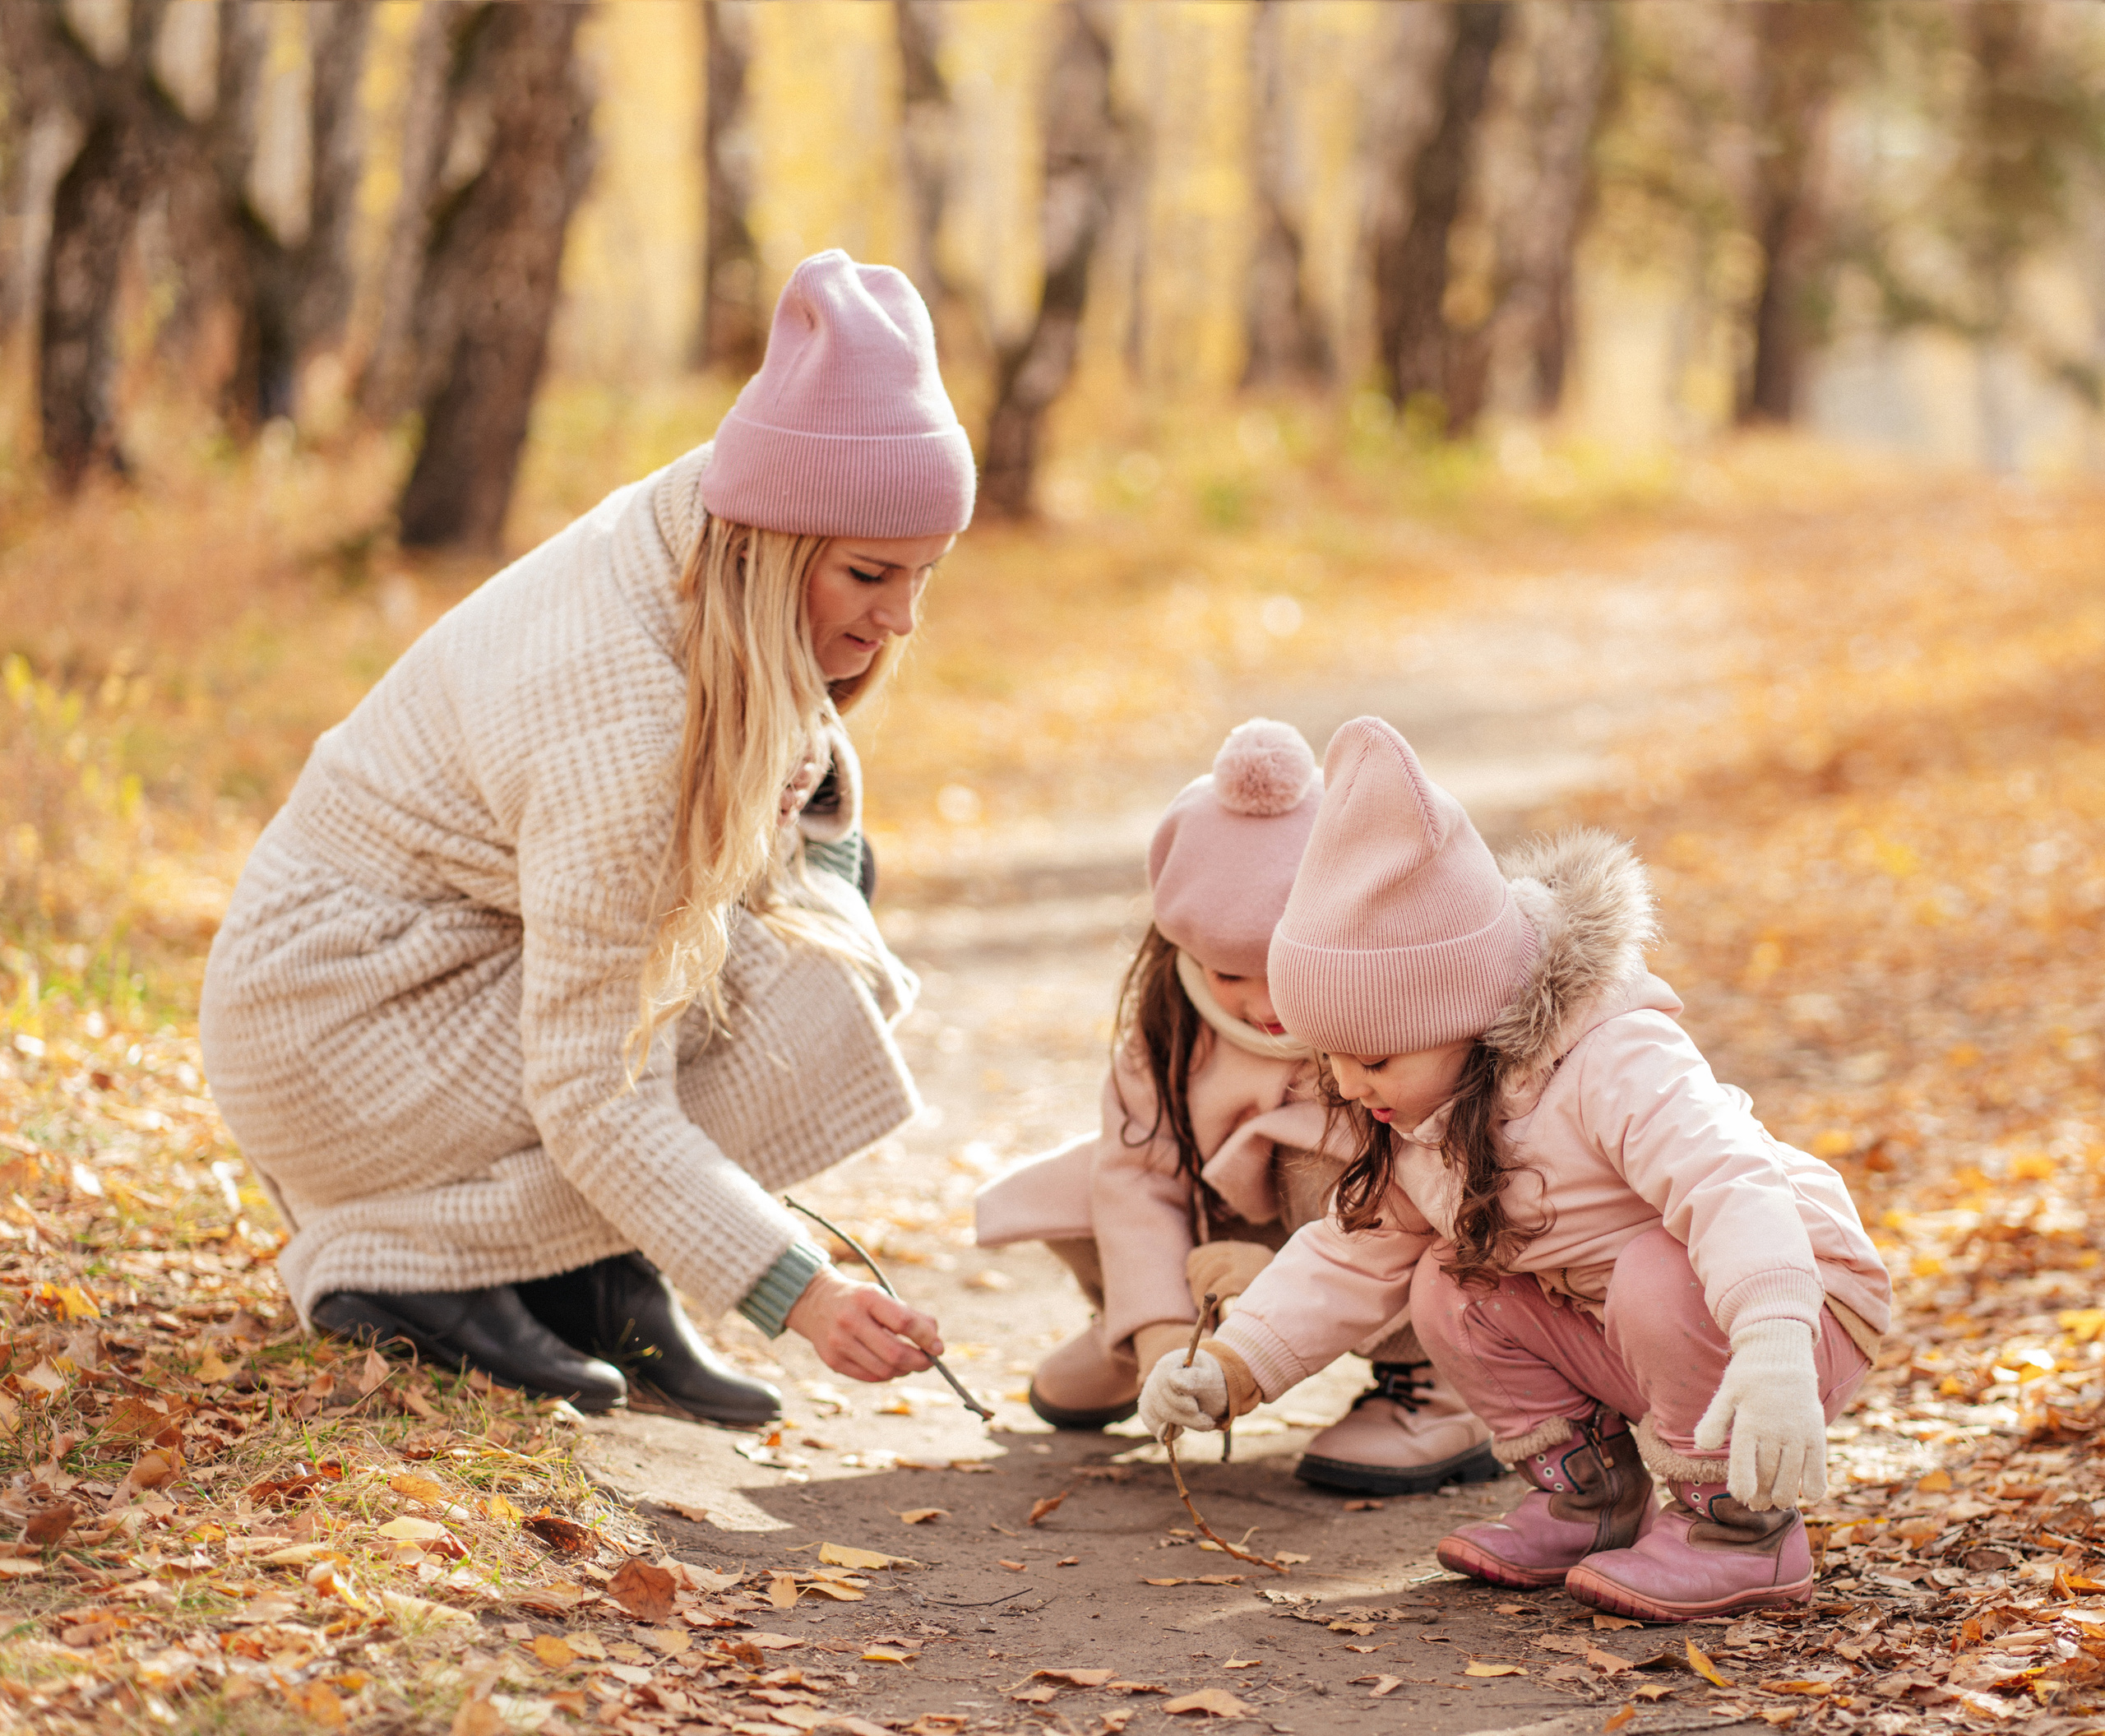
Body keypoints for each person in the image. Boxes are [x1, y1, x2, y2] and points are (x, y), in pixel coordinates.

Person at [199, 252, 975, 1426]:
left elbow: (781, 790)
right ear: (768, 552)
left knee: (829, 890)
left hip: (423, 970)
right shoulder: (618, 729)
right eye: (871, 574)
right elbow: (598, 1090)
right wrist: (800, 1292)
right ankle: (404, 1268)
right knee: (792, 986)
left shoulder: (699, 526)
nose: (901, 616)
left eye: (924, 575)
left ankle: (590, 1270)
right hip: (336, 1028)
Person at [1139, 717, 1891, 1622]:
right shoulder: (1418, 1106)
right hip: (1637, 1323)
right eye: (1332, 1057)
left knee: (1658, 1266)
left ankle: (1742, 1526)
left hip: (1787, 1306)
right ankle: (1589, 1499)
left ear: (1465, 1011)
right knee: (1447, 1279)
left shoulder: (1613, 1060)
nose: (1348, 1083)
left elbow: (1729, 1184)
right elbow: (1350, 1252)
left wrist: (1773, 1342)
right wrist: (1232, 1367)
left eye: (1373, 1058)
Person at [978, 719, 1501, 1496]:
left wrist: (1276, 1281)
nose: (1266, 1005)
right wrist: (1157, 1330)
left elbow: (1420, 1206)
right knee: (1099, 1185)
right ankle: (1149, 1332)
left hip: (1372, 1236)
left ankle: (1434, 1385)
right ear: (1184, 950)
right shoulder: (1171, 1028)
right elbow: (1140, 1178)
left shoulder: (1388, 1024)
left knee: (1330, 1172)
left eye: (1281, 966)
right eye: (1230, 974)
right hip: (1242, 1232)